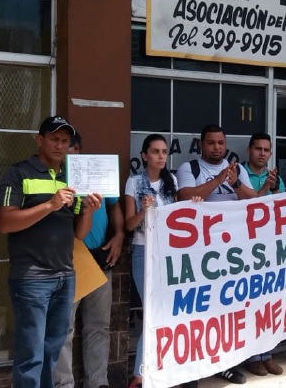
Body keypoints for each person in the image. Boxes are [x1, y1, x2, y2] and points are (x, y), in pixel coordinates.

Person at [0, 116, 102, 388]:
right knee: (30, 354)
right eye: (54, 139)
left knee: (52, 350)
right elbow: (6, 222)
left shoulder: (72, 178)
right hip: (31, 277)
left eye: (65, 141)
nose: (60, 145)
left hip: (65, 276)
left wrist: (89, 209)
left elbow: (79, 232)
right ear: (39, 140)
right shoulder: (18, 173)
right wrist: (49, 205)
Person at [175, 124, 257, 386]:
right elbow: (185, 196)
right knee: (199, 311)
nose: (217, 147)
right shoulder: (190, 169)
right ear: (201, 144)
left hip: (232, 253)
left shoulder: (239, 169)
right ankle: (195, 367)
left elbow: (253, 200)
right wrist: (220, 179)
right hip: (201, 253)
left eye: (221, 143)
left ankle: (225, 364)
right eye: (211, 143)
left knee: (227, 311)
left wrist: (234, 183)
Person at [54, 133, 124, 388]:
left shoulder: (97, 174)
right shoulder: (55, 180)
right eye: (62, 146)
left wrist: (119, 234)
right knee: (64, 328)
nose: (67, 151)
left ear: (79, 149)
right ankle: (63, 384)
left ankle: (98, 382)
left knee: (99, 325)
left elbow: (114, 206)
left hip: (100, 255)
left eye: (72, 147)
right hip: (68, 258)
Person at [124, 134, 186, 388]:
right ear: (144, 156)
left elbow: (182, 220)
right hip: (143, 250)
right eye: (156, 151)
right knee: (152, 313)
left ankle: (161, 368)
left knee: (167, 312)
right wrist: (143, 211)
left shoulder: (172, 181)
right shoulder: (134, 182)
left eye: (164, 152)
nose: (161, 156)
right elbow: (129, 225)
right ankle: (140, 374)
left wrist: (192, 205)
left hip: (169, 254)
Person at [241, 133, 285, 377]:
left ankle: (267, 353)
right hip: (246, 248)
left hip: (269, 247)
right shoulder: (240, 175)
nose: (262, 153)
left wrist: (275, 188)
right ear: (249, 150)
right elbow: (246, 205)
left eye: (266, 149)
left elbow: (283, 209)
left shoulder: (276, 178)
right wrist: (266, 187)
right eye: (258, 148)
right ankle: (251, 356)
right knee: (250, 302)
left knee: (269, 302)